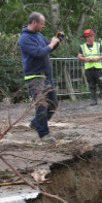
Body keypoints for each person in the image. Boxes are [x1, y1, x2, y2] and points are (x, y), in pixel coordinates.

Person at [18, 11, 62, 144]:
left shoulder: (38, 35)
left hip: (46, 76)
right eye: (42, 23)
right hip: (34, 77)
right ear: (34, 22)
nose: (43, 26)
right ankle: (44, 134)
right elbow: (38, 53)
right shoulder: (24, 38)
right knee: (41, 105)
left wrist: (57, 41)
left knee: (53, 104)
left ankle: (36, 123)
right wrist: (51, 44)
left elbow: (48, 49)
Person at [78, 29, 102, 105]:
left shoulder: (98, 45)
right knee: (91, 85)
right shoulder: (82, 47)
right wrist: (85, 58)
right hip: (88, 69)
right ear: (87, 38)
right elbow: (79, 56)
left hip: (98, 68)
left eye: (93, 36)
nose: (92, 38)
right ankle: (93, 100)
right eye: (90, 36)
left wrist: (97, 59)